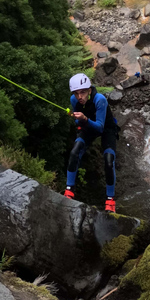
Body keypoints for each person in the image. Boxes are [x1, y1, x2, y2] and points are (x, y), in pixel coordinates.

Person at [65, 73, 118, 212]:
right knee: (75, 151)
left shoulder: (99, 100)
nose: (79, 97)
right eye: (76, 93)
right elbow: (78, 121)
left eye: (82, 92)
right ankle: (69, 190)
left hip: (106, 128)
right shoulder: (74, 100)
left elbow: (100, 127)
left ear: (89, 90)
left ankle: (110, 200)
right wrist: (78, 119)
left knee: (108, 159)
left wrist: (84, 119)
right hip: (88, 126)